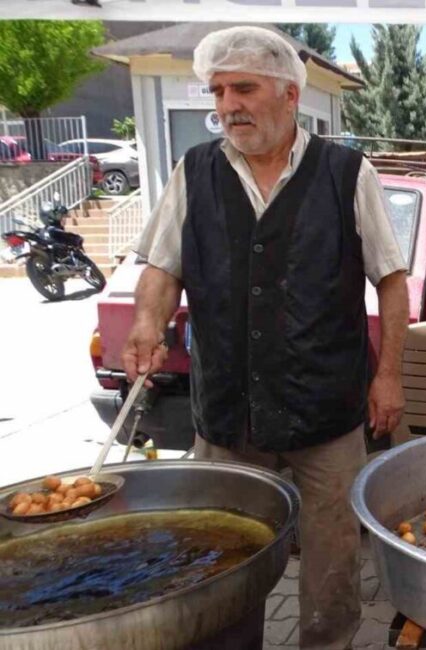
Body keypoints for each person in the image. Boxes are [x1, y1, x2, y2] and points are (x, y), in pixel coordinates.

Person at [121, 27, 409, 650]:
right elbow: (162, 268)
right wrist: (147, 322)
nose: (228, 105)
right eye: (218, 91)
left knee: (332, 561)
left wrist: (388, 376)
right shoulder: (195, 171)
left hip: (326, 410)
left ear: (289, 94)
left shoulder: (346, 172)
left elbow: (390, 280)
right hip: (228, 412)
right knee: (223, 556)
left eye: (244, 89)